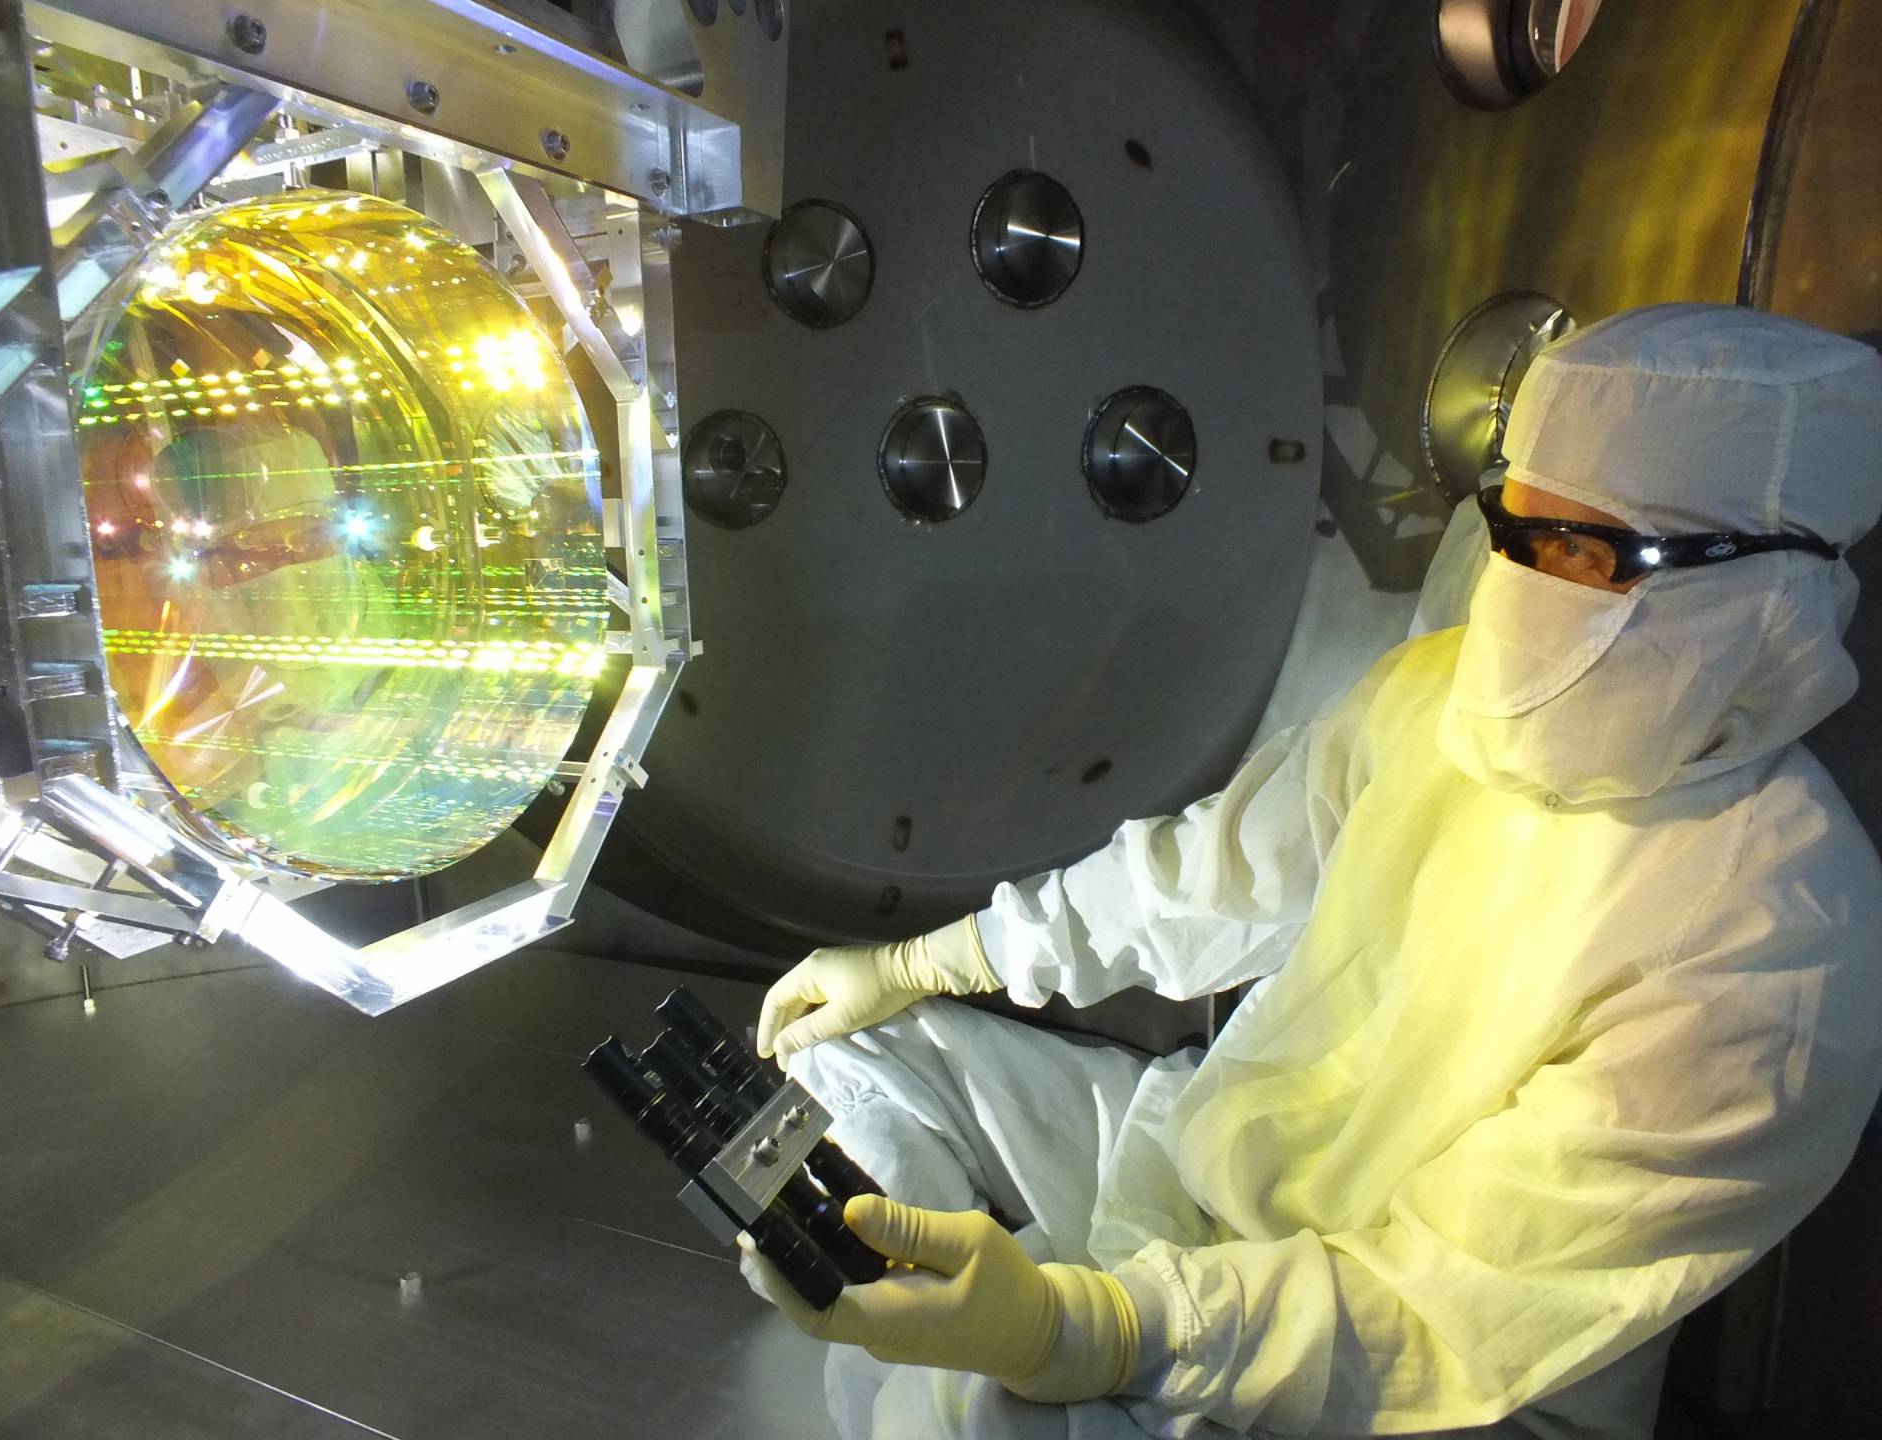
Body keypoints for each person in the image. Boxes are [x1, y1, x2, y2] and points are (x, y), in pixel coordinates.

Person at [736, 304, 1882, 1439]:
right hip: (1219, 1171)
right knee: (837, 1051)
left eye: (1589, 553)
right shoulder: (1441, 697)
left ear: (1765, 589)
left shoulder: (1775, 949)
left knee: (957, 1415)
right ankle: (939, 1303)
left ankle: (977, 1346)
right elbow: (1207, 881)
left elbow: (1439, 1303)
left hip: (1423, 1383)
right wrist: (929, 960)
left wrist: (1085, 1329)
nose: (1526, 595)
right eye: (1515, 529)